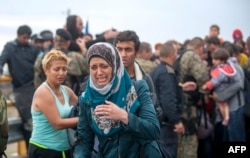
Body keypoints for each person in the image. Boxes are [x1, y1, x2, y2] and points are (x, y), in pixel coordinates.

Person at [73, 42, 161, 158]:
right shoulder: (87, 98)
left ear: (115, 66)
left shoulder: (137, 89)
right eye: (93, 67)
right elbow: (84, 141)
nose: (99, 72)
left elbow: (153, 130)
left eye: (104, 66)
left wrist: (124, 116)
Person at [28, 50, 78, 158]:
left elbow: (82, 106)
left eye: (64, 69)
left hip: (64, 149)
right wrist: (88, 118)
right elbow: (58, 124)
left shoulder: (66, 91)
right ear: (46, 70)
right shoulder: (43, 92)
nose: (61, 73)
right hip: (44, 149)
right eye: (57, 69)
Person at [151, 41, 197, 158]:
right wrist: (176, 121)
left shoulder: (158, 70)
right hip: (166, 125)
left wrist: (180, 87)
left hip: (158, 123)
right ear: (172, 54)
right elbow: (168, 101)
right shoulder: (167, 73)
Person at [0, 25, 39, 148]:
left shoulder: (33, 49)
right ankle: (30, 149)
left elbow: (39, 65)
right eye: (24, 37)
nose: (26, 40)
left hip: (34, 88)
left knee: (36, 120)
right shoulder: (10, 48)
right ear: (18, 35)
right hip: (20, 90)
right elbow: (2, 61)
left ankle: (34, 149)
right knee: (28, 122)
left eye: (28, 38)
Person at [177, 37, 210, 158]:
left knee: (180, 143)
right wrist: (204, 91)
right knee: (189, 143)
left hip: (179, 103)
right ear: (200, 47)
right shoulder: (192, 55)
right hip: (189, 105)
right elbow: (202, 76)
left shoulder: (180, 54)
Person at [34, 28, 89, 94]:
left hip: (46, 95)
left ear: (54, 41)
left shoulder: (42, 57)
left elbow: (37, 77)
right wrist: (84, 50)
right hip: (67, 97)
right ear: (68, 43)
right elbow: (88, 68)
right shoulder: (74, 57)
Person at [202, 48, 236, 126]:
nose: (213, 61)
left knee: (220, 103)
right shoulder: (228, 67)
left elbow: (216, 80)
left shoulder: (220, 70)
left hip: (220, 90)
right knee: (226, 104)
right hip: (226, 89)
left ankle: (225, 118)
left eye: (216, 59)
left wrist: (207, 85)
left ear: (222, 60)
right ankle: (226, 116)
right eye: (213, 59)